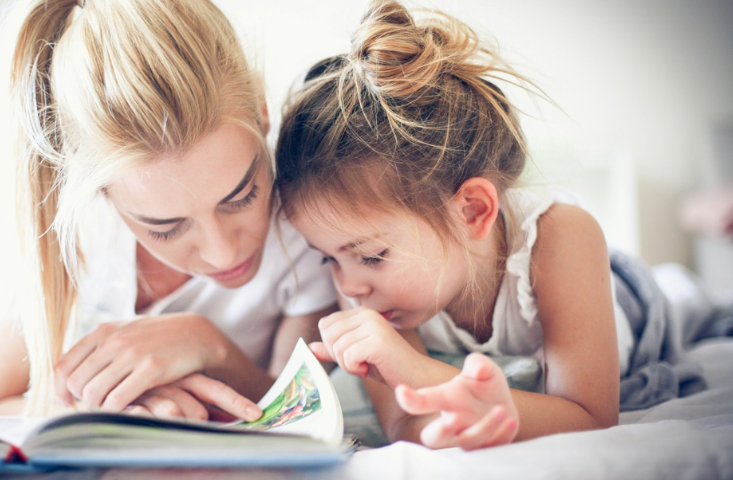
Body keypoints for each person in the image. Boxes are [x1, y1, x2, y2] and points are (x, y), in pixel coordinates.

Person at [274, 0, 716, 450]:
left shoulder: (561, 236)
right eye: (328, 257)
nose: (349, 287)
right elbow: (406, 428)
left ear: (472, 211)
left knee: (685, 300)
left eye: (371, 255)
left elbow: (591, 418)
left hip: (626, 302)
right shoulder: (377, 296)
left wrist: (418, 370)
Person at [0, 0, 337, 419]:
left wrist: (209, 346)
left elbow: (300, 409)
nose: (223, 253)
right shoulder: (62, 231)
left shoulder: (308, 228)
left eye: (242, 197)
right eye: (166, 227)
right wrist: (114, 412)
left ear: (262, 108)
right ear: (99, 190)